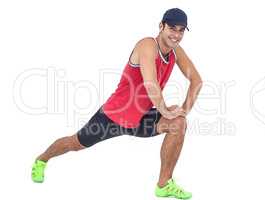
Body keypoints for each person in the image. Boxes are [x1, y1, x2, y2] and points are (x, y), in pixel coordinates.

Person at [31, 8, 202, 199]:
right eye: (172, 28)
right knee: (74, 143)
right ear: (161, 26)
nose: (176, 34)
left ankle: (164, 184)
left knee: (179, 123)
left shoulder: (176, 52)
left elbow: (197, 80)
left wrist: (182, 111)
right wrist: (164, 110)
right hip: (112, 117)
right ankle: (41, 160)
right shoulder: (147, 45)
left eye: (181, 30)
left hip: (140, 119)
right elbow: (150, 83)